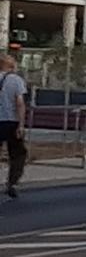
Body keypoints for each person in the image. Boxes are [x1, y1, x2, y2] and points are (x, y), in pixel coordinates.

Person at [0, 54, 29, 199]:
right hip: (11, 121)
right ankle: (12, 182)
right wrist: (21, 124)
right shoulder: (16, 81)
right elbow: (19, 103)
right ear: (11, 66)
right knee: (18, 154)